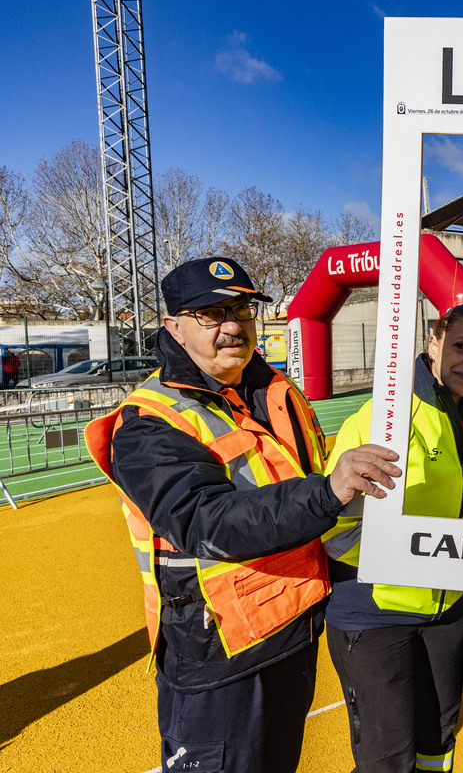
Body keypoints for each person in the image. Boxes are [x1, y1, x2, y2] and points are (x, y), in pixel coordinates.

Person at [84, 257, 401, 773]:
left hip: (294, 629)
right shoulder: (149, 421)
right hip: (218, 650)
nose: (232, 325)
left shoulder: (278, 392)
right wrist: (328, 491)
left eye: (240, 309)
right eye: (211, 313)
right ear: (174, 326)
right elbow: (206, 521)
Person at [321, 304, 463, 773]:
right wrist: (400, 559)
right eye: (462, 347)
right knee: (388, 755)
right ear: (433, 343)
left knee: (438, 736)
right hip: (376, 608)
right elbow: (335, 524)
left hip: (446, 608)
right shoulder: (384, 416)